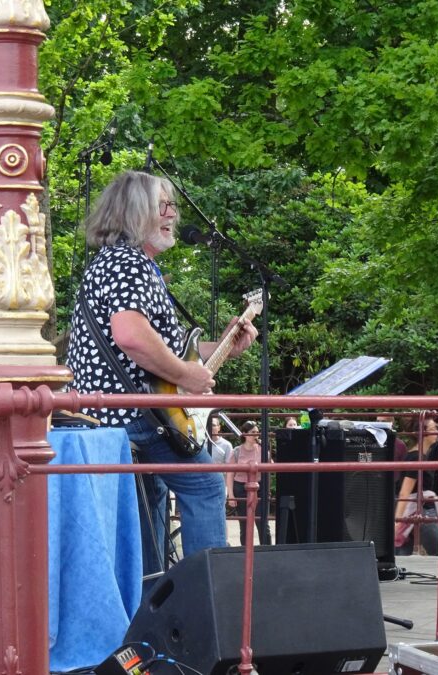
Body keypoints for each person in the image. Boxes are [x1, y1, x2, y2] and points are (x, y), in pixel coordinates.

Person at [65, 170, 258, 577]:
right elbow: (131, 336)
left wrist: (223, 346)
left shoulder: (125, 264)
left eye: (172, 204)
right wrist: (188, 377)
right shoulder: (128, 263)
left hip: (130, 413)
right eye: (163, 205)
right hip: (135, 414)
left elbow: (168, 351)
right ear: (135, 214)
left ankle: (153, 610)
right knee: (206, 487)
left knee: (150, 516)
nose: (173, 214)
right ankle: (208, 602)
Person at [394, 416, 438, 556]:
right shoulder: (416, 457)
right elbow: (405, 491)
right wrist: (398, 520)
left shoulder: (418, 455)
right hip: (419, 510)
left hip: (417, 509)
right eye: (433, 428)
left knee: (403, 552)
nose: (437, 431)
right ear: (423, 434)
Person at [226, 420, 272, 545]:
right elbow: (230, 474)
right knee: (244, 523)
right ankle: (245, 551)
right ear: (245, 434)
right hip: (240, 487)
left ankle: (266, 551)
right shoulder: (236, 451)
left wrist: (267, 490)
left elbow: (270, 468)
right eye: (253, 432)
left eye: (257, 432)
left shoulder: (262, 449)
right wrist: (231, 495)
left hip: (259, 486)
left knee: (263, 522)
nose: (256, 435)